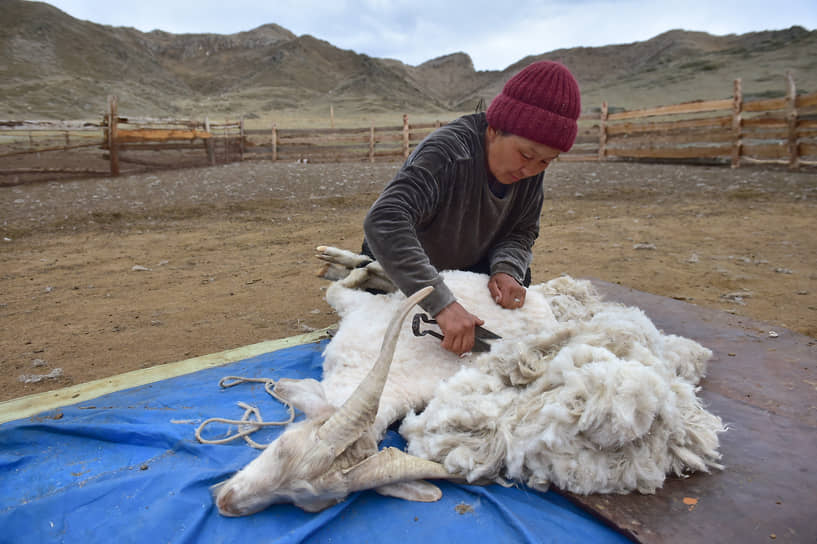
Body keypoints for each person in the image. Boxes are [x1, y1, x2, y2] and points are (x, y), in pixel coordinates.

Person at [362, 60, 581, 355]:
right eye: (525, 154)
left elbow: (521, 231)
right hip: (404, 264)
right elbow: (385, 220)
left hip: (465, 262)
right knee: (382, 330)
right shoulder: (448, 154)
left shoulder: (530, 172)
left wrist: (507, 269)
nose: (530, 169)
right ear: (494, 129)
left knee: (515, 289)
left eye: (545, 161)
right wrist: (441, 303)